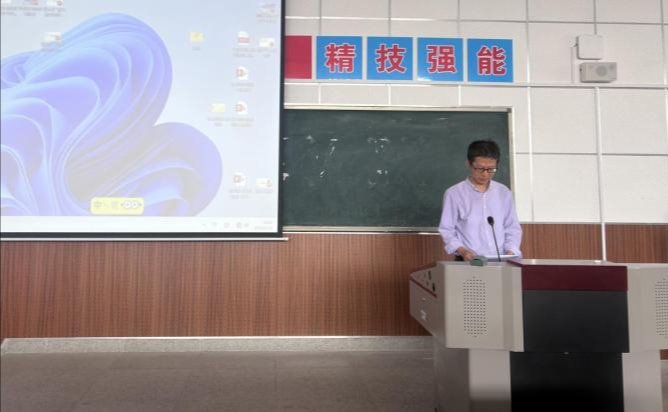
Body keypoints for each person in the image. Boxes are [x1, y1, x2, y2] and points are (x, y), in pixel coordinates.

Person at [438, 139, 522, 262]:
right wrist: (463, 251)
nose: (485, 174)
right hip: (468, 261)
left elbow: (512, 227)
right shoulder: (454, 194)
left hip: (501, 260)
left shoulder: (503, 193)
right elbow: (447, 230)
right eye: (480, 168)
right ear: (469, 164)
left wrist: (511, 251)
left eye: (491, 169)